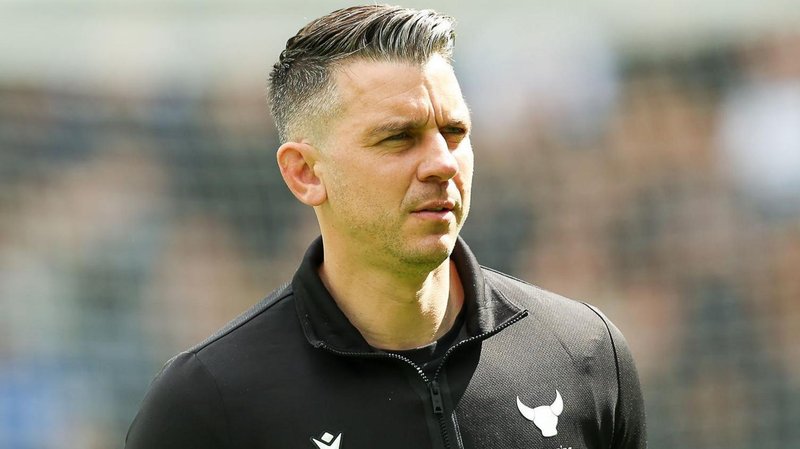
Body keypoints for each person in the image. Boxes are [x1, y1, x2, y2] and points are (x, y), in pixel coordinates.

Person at [125, 5, 647, 448]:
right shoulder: (209, 401)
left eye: (454, 132)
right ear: (305, 173)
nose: (441, 163)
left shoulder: (585, 353)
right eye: (398, 138)